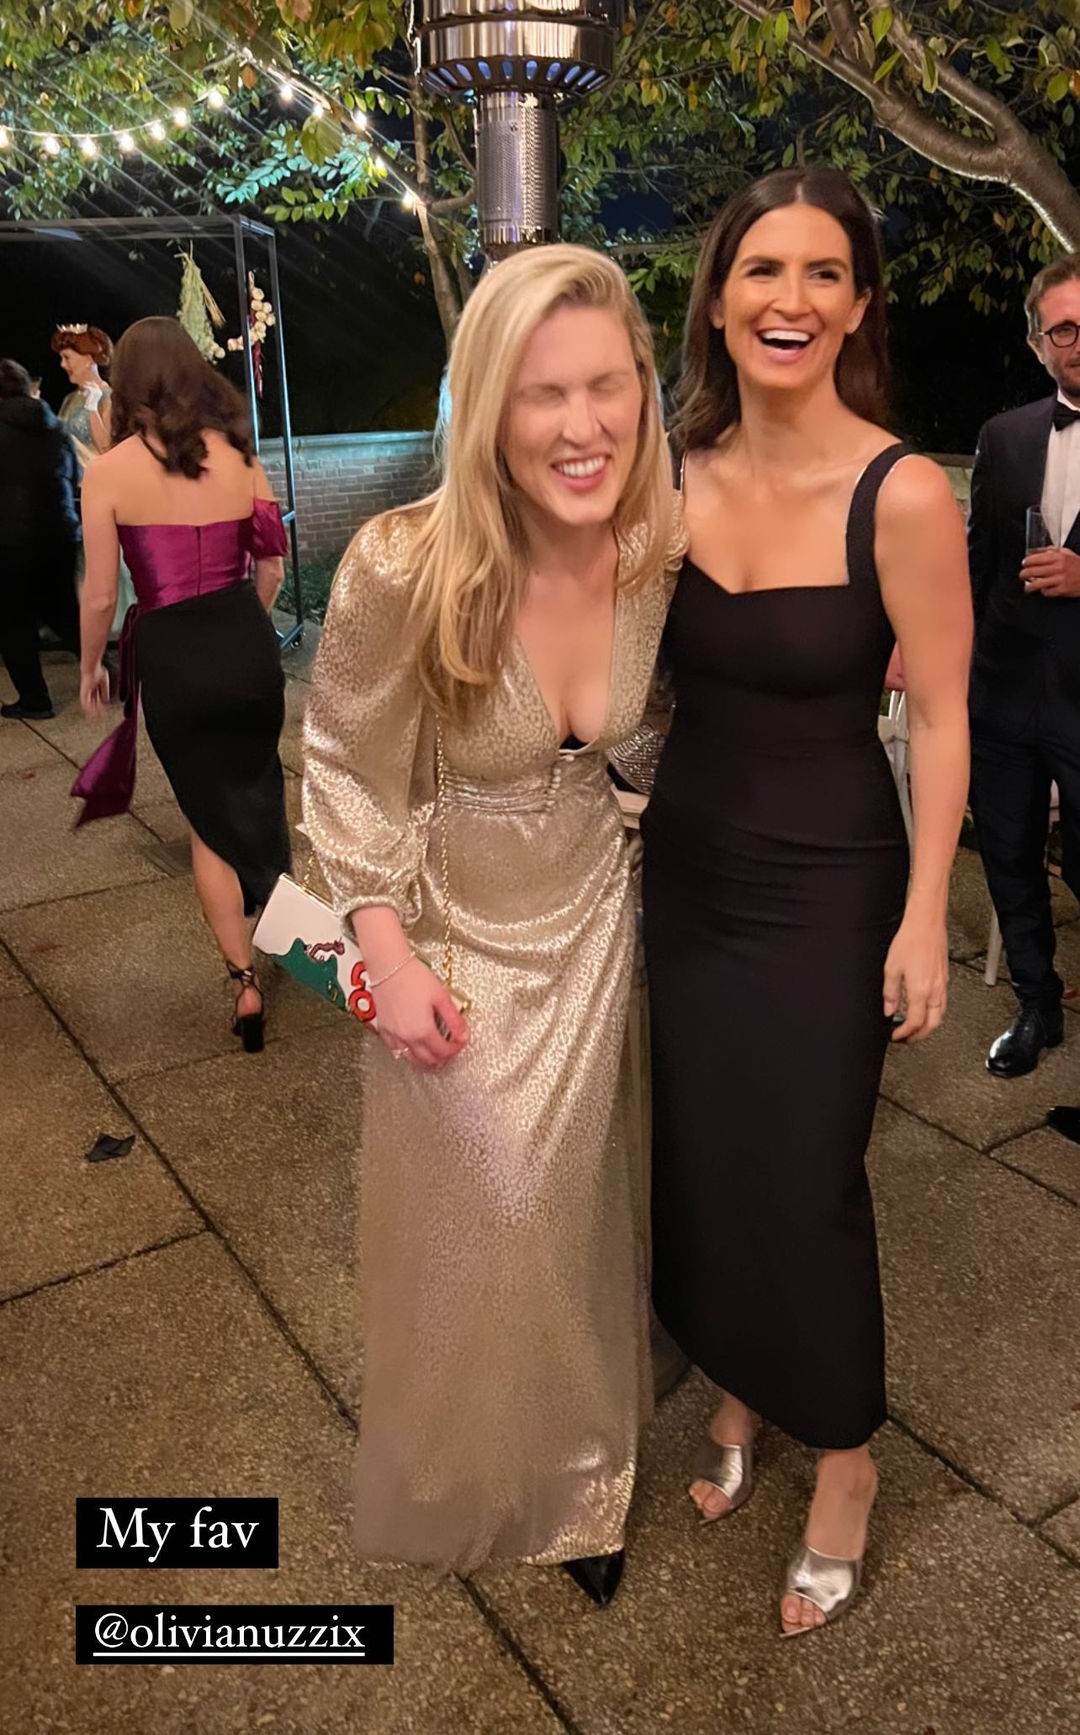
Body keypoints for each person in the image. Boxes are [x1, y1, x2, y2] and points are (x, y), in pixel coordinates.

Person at [302, 245, 676, 1600]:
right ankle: (488, 1453)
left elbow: (662, 721)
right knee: (490, 1218)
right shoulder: (405, 561)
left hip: (600, 915)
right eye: (539, 391)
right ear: (485, 404)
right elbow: (342, 763)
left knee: (579, 1212)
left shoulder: (654, 550)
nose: (581, 425)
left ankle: (584, 1478)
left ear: (643, 389)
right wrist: (381, 953)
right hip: (454, 930)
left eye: (605, 384)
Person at [642, 166, 971, 1635]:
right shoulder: (667, 469)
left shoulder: (904, 490)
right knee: (707, 1154)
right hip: (686, 870)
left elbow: (944, 715)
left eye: (824, 272)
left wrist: (925, 912)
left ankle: (844, 1454)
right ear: (718, 300)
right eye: (762, 270)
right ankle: (741, 1380)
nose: (791, 298)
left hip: (834, 880)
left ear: (858, 305)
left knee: (810, 1173)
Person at [72, 317, 290, 1053]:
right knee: (256, 788)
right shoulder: (241, 456)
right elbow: (272, 566)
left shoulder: (107, 474)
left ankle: (244, 983)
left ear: (127, 383)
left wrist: (92, 666)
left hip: (172, 659)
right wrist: (245, 631)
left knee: (206, 819)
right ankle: (283, 917)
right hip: (245, 645)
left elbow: (101, 594)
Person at [968, 255, 1080, 1146]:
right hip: (1004, 691)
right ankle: (1037, 1005)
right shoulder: (1003, 436)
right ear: (1039, 342)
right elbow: (975, 564)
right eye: (1065, 327)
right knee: (1006, 854)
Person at [0, 358, 82, 719]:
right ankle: (110, 674)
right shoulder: (54, 427)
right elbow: (73, 473)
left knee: (13, 621)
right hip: (60, 532)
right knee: (63, 610)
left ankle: (35, 700)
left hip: (10, 539)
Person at [52, 324, 113, 466]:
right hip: (70, 476)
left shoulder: (109, 397)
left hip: (95, 477)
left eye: (67, 358)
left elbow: (107, 449)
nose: (62, 364)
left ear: (88, 359)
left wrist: (92, 408)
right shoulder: (70, 398)